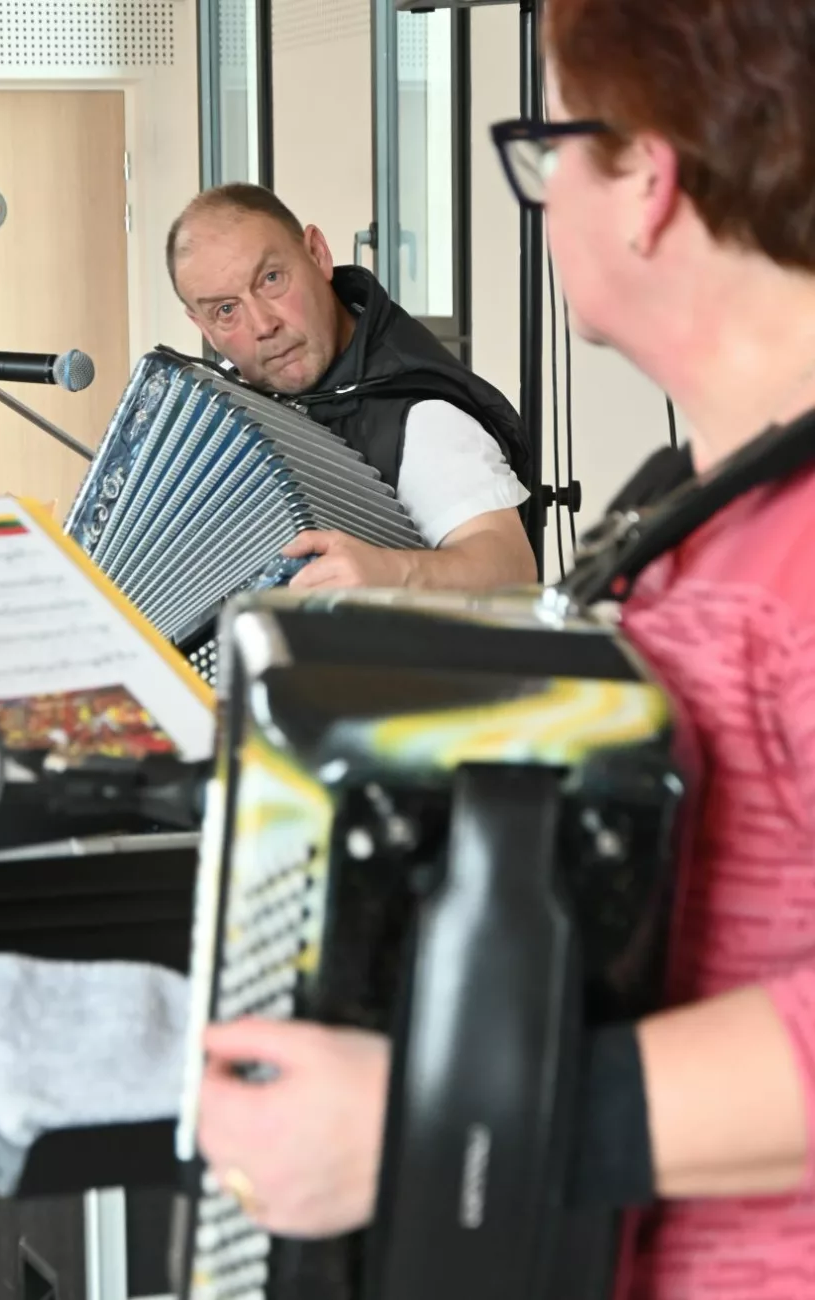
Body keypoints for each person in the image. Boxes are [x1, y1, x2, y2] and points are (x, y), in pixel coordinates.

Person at [194, 2, 815, 1297]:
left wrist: (443, 1118)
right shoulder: (694, 510)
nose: (540, 201)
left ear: (645, 179)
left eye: (548, 151)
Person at [166, 185, 537, 591]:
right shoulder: (218, 401)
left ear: (318, 254)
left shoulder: (421, 417)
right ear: (202, 326)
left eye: (271, 279)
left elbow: (512, 568)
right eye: (225, 310)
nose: (262, 325)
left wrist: (393, 574)